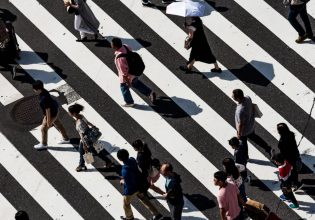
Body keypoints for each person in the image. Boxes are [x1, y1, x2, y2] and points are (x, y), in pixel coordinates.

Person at [117, 149, 162, 220]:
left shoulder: (124, 171)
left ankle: (129, 217)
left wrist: (123, 181)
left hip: (131, 190)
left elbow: (129, 184)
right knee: (143, 199)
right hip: (140, 185)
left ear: (119, 159)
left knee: (126, 204)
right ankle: (157, 214)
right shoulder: (132, 159)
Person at [111, 37, 156, 107]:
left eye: (112, 44)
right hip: (134, 70)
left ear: (115, 46)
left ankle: (129, 102)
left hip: (128, 74)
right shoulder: (125, 46)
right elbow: (131, 51)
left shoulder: (120, 58)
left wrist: (128, 83)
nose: (111, 45)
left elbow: (124, 73)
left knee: (123, 87)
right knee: (136, 83)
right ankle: (149, 92)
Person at [68, 103, 113, 171]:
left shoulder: (79, 122)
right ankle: (81, 164)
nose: (69, 113)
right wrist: (93, 126)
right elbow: (87, 122)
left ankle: (108, 161)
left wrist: (84, 145)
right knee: (83, 152)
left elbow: (82, 134)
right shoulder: (81, 116)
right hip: (90, 137)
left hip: (86, 140)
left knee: (94, 151)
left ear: (73, 113)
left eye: (69, 112)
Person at [232, 89, 272, 159]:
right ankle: (268, 148)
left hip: (244, 131)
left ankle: (245, 156)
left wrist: (239, 134)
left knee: (243, 143)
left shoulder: (240, 111)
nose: (232, 96)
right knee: (255, 138)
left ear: (237, 98)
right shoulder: (248, 98)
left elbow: (241, 124)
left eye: (233, 95)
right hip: (251, 125)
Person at [32, 80, 69, 150]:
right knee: (58, 124)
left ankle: (44, 144)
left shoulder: (44, 99)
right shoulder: (44, 91)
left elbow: (48, 111)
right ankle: (66, 138)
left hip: (51, 114)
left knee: (43, 129)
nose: (34, 90)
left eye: (34, 89)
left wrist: (48, 122)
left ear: (39, 89)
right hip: (55, 110)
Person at [277, 123, 302, 190]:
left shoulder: (282, 142)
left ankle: (295, 183)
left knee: (290, 171)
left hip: (288, 158)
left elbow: (283, 151)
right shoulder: (291, 134)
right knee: (294, 170)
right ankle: (296, 183)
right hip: (294, 154)